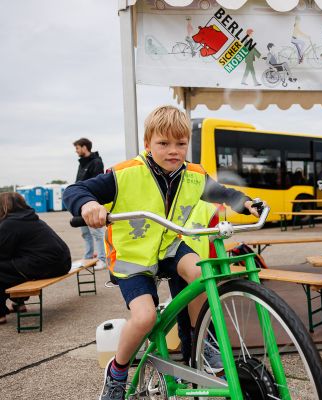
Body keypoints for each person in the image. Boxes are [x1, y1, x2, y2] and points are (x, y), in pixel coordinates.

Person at [63, 106, 262, 400]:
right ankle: (117, 372)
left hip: (170, 246)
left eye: (181, 143)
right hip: (134, 257)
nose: (174, 151)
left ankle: (201, 341)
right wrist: (87, 205)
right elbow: (74, 190)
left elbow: (221, 193)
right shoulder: (125, 174)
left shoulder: (193, 175)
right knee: (144, 318)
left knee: (201, 271)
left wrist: (244, 203)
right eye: (164, 143)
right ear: (147, 144)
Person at [0, 192, 71, 324]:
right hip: (63, 263)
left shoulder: (10, 223)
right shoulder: (32, 218)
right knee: (13, 266)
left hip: (45, 265)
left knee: (4, 269)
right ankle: (19, 304)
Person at [73, 137, 106, 270]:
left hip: (93, 204)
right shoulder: (82, 163)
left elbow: (97, 184)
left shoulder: (96, 162)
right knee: (86, 234)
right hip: (82, 205)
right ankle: (88, 257)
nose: (76, 151)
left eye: (77, 148)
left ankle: (103, 260)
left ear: (84, 147)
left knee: (97, 233)